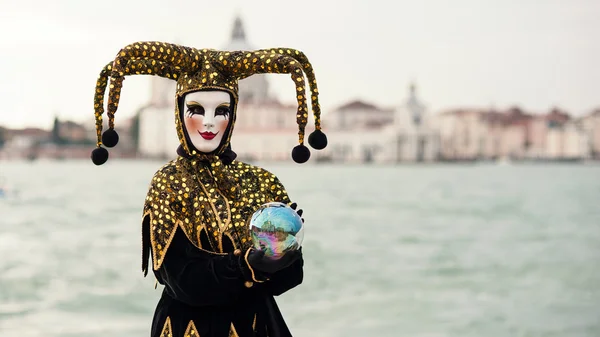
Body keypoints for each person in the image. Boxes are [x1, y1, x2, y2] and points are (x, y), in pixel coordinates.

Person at [89, 41, 328, 337]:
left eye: (222, 110)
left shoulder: (261, 180)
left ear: (234, 114)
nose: (209, 123)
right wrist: (246, 266)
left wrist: (284, 251)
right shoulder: (169, 182)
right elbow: (180, 281)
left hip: (257, 325)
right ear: (179, 111)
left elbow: (287, 281)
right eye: (197, 109)